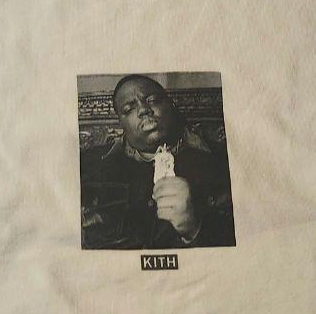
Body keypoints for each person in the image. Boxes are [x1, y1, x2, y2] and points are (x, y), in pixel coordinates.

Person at [80, 74, 236, 249]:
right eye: (128, 109)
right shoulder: (87, 167)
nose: (143, 110)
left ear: (171, 105)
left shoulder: (222, 162)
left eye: (152, 100)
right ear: (120, 122)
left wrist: (194, 229)